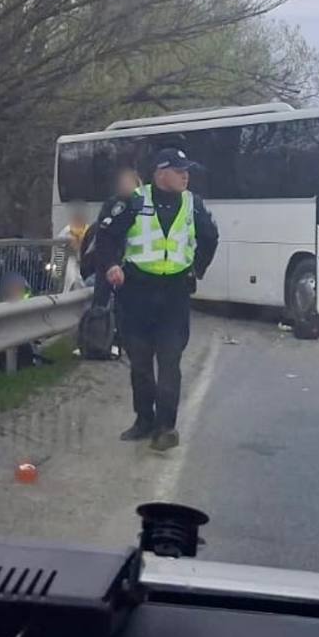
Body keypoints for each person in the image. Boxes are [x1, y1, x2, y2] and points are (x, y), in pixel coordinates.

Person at [95, 148, 219, 450]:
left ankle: (166, 427)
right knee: (139, 363)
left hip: (174, 295)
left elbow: (210, 238)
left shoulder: (193, 204)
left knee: (169, 361)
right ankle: (144, 420)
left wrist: (196, 269)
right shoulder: (134, 200)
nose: (185, 175)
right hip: (137, 293)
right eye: (179, 170)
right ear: (160, 173)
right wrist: (112, 265)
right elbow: (106, 237)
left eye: (186, 170)